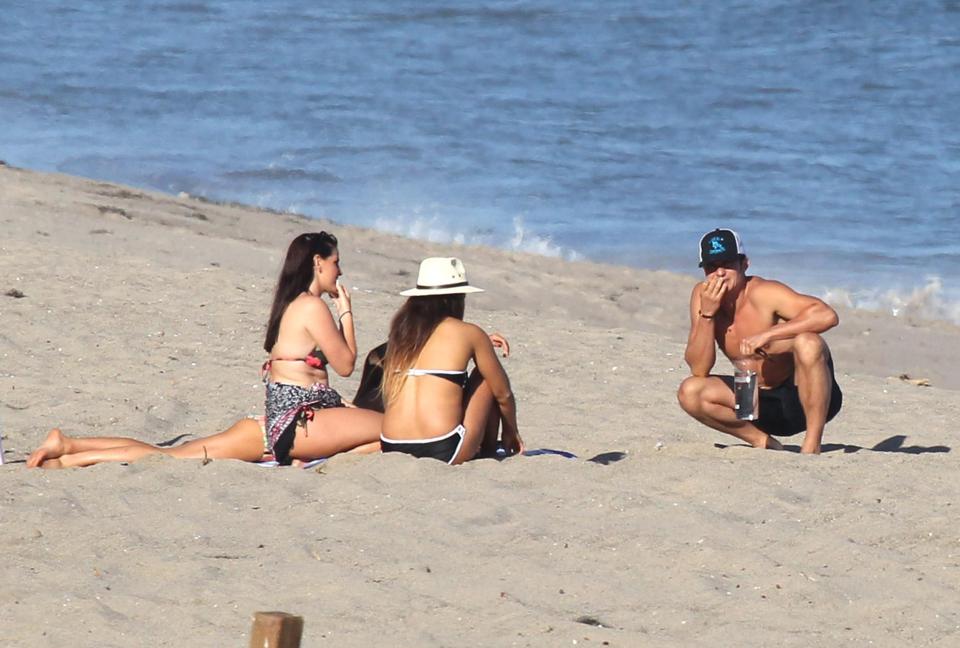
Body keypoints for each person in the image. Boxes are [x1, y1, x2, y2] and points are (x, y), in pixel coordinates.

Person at [28, 232, 383, 468]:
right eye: (336, 262)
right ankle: (68, 454)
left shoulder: (290, 305)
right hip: (296, 425)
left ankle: (69, 449)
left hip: (272, 423)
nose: (340, 270)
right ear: (318, 262)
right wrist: (346, 312)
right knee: (391, 429)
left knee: (171, 455)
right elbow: (347, 364)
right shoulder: (311, 306)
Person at [676, 228, 843, 454]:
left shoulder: (764, 293)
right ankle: (763, 441)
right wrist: (707, 315)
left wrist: (769, 335)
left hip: (802, 399)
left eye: (727, 264)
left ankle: (812, 445)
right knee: (690, 391)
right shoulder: (702, 296)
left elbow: (827, 315)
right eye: (712, 267)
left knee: (809, 342)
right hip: (753, 401)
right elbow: (699, 367)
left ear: (744, 264)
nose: (720, 273)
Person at [379, 257, 523, 465]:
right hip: (444, 447)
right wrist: (511, 430)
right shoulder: (470, 333)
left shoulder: (401, 333)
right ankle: (488, 450)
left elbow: (432, 354)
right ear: (454, 299)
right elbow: (504, 394)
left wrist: (481, 343)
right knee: (485, 375)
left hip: (391, 445)